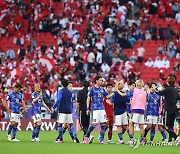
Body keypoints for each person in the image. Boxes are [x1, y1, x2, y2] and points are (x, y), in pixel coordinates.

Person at [84, 76, 115, 144]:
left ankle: (101, 140)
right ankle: (86, 136)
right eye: (100, 80)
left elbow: (107, 97)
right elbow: (88, 98)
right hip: (95, 109)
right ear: (97, 81)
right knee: (94, 124)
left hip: (102, 109)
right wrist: (87, 108)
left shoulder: (102, 89)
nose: (102, 81)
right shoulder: (92, 89)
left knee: (103, 124)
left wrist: (114, 93)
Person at [156, 77, 180, 144]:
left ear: (168, 82)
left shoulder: (168, 89)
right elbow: (178, 98)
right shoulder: (175, 91)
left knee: (166, 126)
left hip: (168, 110)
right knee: (171, 126)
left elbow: (159, 93)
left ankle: (176, 137)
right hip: (174, 110)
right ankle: (170, 140)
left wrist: (155, 89)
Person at [128, 80, 147, 144]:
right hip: (142, 110)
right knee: (141, 125)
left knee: (131, 124)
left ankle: (131, 139)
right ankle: (142, 140)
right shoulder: (145, 92)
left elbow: (126, 96)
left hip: (135, 109)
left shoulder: (133, 91)